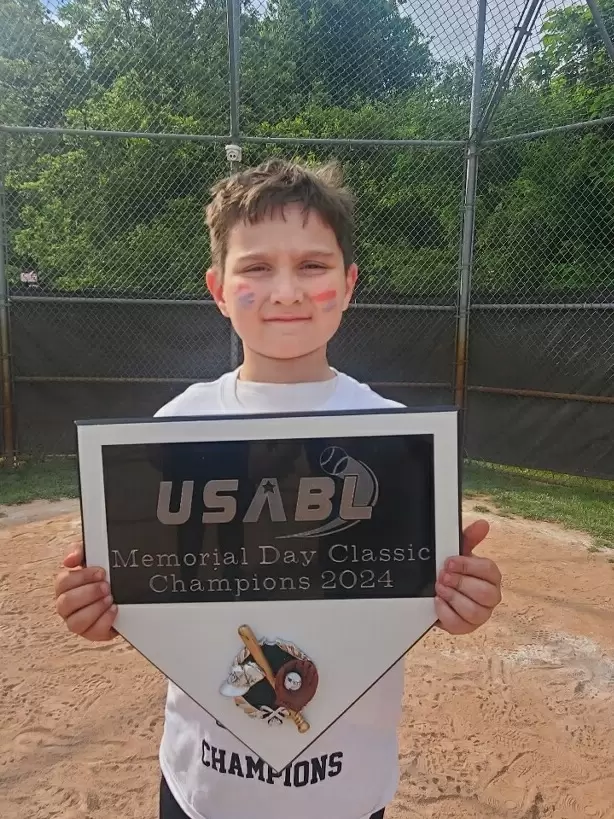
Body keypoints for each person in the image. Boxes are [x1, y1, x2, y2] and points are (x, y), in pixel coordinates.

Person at [53, 158, 502, 819]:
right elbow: (150, 587)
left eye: (313, 266)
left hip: (344, 791)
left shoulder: (397, 440)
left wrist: (460, 598)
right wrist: (102, 608)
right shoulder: (175, 426)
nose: (286, 291)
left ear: (348, 285)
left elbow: (408, 599)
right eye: (257, 267)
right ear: (218, 289)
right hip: (203, 787)